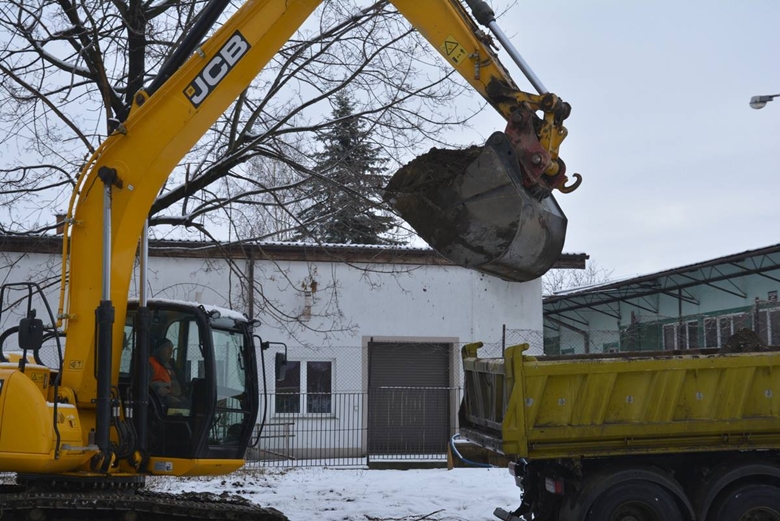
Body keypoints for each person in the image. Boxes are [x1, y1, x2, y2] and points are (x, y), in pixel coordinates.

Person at [149, 338, 187, 408]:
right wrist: (157, 389)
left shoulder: (167, 365)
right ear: (160, 350)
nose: (171, 351)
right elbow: (143, 384)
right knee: (177, 404)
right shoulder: (150, 363)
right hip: (156, 397)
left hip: (172, 394)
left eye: (172, 349)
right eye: (168, 348)